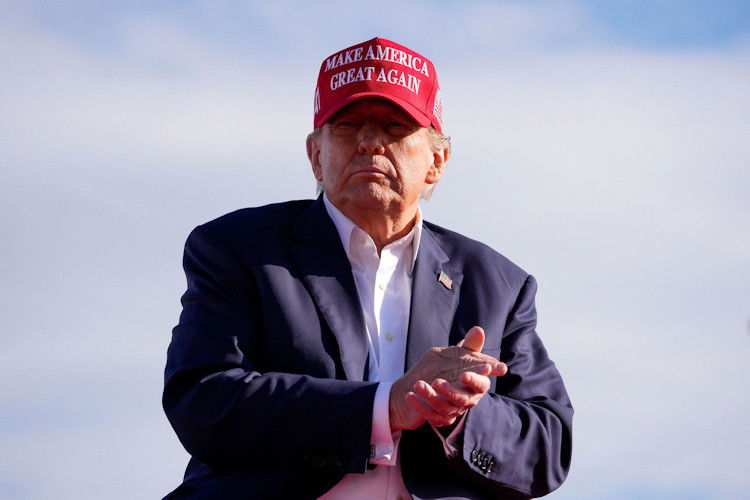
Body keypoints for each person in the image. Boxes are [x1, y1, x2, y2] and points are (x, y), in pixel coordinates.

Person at [163, 37, 573, 500]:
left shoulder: (497, 284)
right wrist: (387, 406)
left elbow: (549, 446)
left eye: (395, 126)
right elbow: (203, 399)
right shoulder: (238, 248)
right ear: (316, 154)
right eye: (348, 125)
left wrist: (456, 412)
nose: (370, 142)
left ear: (437, 160)